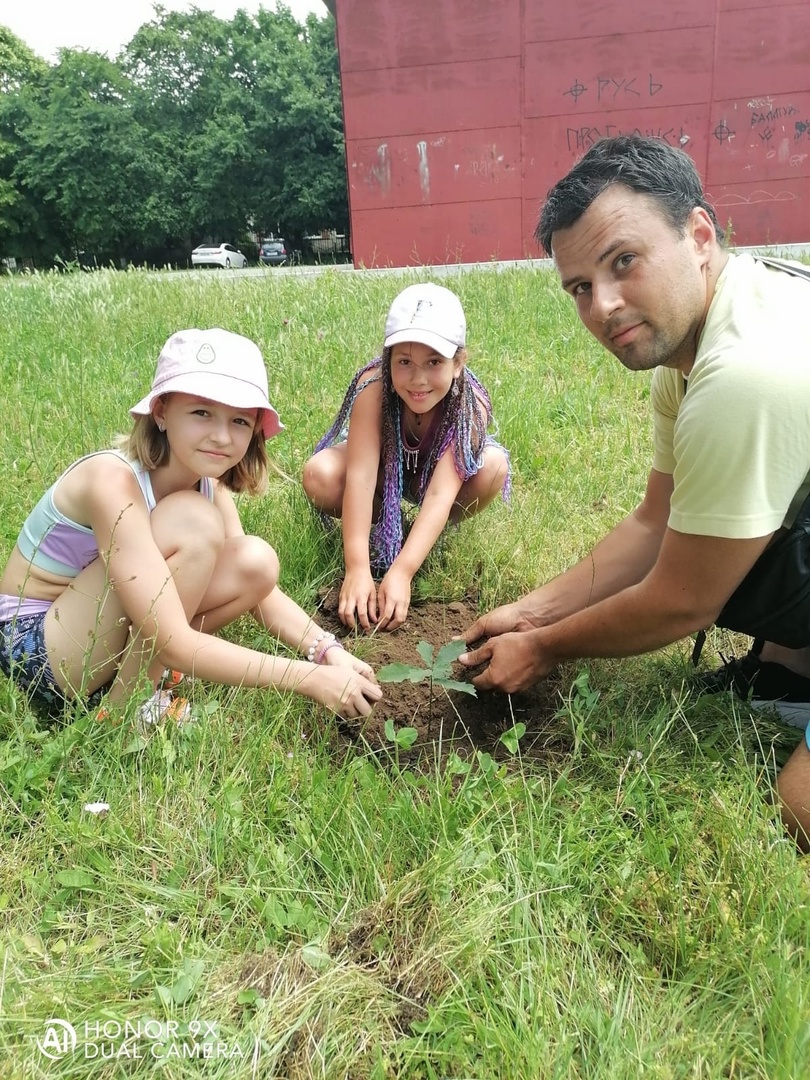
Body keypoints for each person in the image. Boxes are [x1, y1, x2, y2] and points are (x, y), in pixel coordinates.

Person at [458, 134, 810, 850]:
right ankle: (791, 672)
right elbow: (655, 524)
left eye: (624, 262)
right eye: (581, 287)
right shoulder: (698, 341)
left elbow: (683, 598)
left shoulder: (743, 371)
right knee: (716, 517)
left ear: (699, 235)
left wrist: (545, 647)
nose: (604, 306)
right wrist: (528, 612)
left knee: (799, 809)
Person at [0, 328, 381, 724]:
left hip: (96, 635)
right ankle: (123, 713)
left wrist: (328, 652)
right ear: (161, 412)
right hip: (38, 651)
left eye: (239, 420)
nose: (221, 436)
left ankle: (124, 697)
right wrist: (310, 679)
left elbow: (258, 591)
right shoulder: (110, 481)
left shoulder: (207, 483)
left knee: (256, 561)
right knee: (194, 523)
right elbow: (174, 642)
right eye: (202, 412)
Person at [302, 282, 510, 631]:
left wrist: (401, 572)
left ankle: (423, 534)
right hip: (384, 477)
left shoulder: (470, 407)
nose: (418, 379)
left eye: (434, 362)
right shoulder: (374, 390)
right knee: (319, 474)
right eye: (404, 361)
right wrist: (357, 568)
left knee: (493, 467)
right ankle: (386, 523)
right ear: (387, 360)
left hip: (433, 483)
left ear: (458, 363)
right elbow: (361, 478)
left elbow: (443, 493)